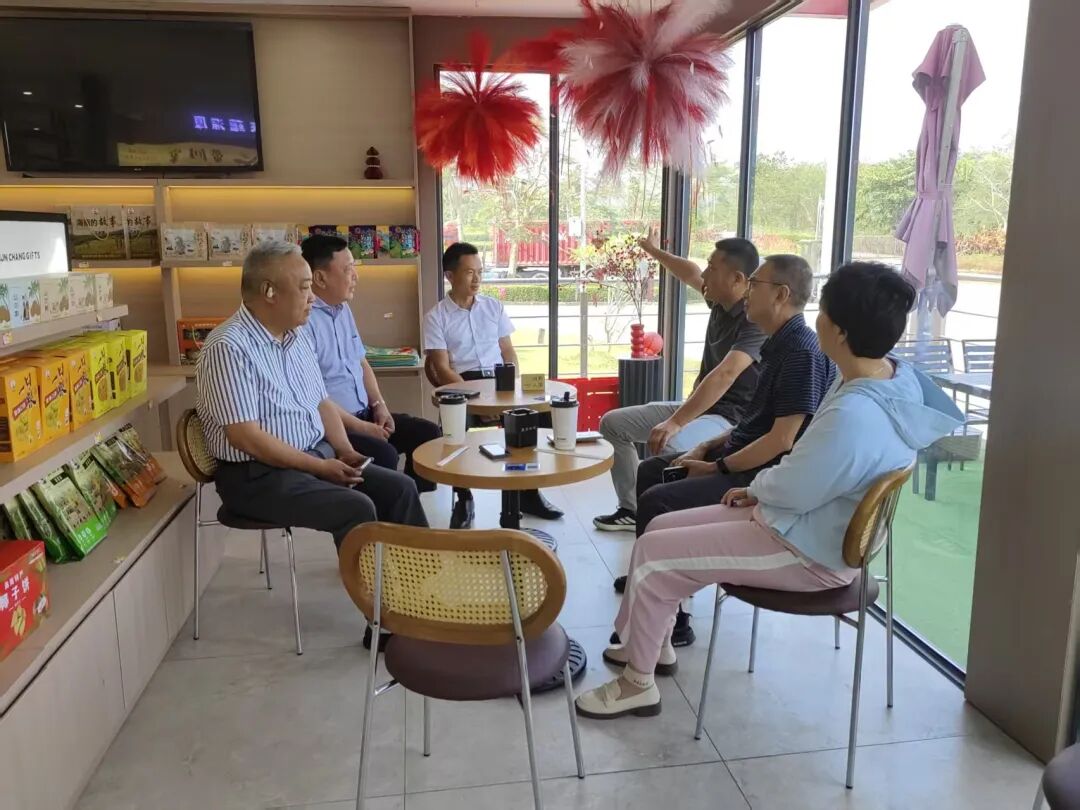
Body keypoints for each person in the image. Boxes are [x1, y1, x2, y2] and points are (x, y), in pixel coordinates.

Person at [575, 262, 963, 720]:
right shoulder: (889, 376)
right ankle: (651, 645)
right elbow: (803, 475)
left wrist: (754, 488)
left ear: (839, 331)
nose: (816, 318)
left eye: (823, 311)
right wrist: (757, 491)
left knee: (657, 554)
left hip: (808, 551)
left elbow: (796, 483)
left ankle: (637, 684)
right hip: (801, 522)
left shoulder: (854, 415)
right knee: (658, 528)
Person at [611, 254, 836, 649]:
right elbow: (757, 421)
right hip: (736, 454)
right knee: (652, 471)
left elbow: (781, 441)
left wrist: (716, 467)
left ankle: (674, 619)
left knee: (659, 499)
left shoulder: (801, 353)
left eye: (755, 284)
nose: (748, 292)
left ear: (781, 294)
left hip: (755, 477)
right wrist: (708, 445)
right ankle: (651, 586)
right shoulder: (778, 343)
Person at [196, 241, 429, 576]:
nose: (312, 298)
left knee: (400, 488)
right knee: (356, 507)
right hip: (257, 477)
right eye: (305, 287)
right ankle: (379, 606)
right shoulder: (228, 347)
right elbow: (246, 438)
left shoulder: (297, 336)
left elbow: (321, 402)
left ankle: (420, 586)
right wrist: (320, 467)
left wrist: (345, 451)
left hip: (313, 456)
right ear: (269, 291)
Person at [593, 235, 766, 531]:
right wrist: (653, 251)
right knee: (613, 424)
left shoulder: (754, 321)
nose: (705, 274)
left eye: (712, 267)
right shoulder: (720, 299)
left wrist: (675, 422)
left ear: (737, 279)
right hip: (699, 409)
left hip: (729, 419)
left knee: (671, 443)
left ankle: (674, 525)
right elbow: (689, 272)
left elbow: (725, 374)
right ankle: (633, 510)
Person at [423, 241, 563, 528]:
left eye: (480, 271)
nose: (477, 279)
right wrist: (479, 400)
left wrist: (509, 392)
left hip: (500, 380)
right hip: (464, 383)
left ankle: (528, 492)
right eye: (469, 272)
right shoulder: (436, 317)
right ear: (449, 275)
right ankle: (464, 499)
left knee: (538, 416)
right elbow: (442, 368)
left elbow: (508, 352)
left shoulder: (493, 307)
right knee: (453, 428)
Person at [300, 234, 451, 499]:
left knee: (427, 433)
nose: (355, 276)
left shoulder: (342, 310)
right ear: (320, 278)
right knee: (385, 454)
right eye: (348, 269)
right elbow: (314, 396)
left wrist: (379, 405)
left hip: (365, 413)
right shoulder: (304, 320)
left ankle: (411, 501)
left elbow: (361, 362)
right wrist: (361, 428)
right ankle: (382, 512)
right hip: (335, 426)